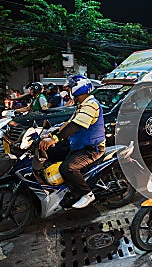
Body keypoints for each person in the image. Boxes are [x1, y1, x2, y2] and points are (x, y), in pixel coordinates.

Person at [39, 75, 105, 209]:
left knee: (67, 168)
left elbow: (75, 126)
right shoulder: (82, 104)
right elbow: (68, 123)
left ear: (78, 88)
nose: (68, 90)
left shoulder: (91, 105)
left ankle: (87, 194)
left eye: (70, 87)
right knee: (53, 154)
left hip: (91, 148)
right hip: (78, 144)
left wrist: (54, 139)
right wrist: (50, 133)